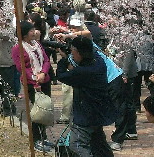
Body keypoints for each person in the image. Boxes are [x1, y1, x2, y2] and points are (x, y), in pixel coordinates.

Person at [56, 35, 119, 156]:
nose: (72, 54)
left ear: (78, 52)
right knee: (99, 144)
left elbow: (61, 76)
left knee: (77, 144)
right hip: (98, 112)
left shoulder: (83, 72)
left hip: (85, 115)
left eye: (73, 51)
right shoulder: (99, 61)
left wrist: (64, 60)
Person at [13, 21, 53, 153]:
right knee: (38, 110)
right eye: (31, 30)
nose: (34, 32)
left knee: (45, 109)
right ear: (24, 34)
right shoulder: (18, 48)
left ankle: (43, 136)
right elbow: (21, 68)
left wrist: (43, 73)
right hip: (32, 83)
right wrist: (35, 78)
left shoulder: (37, 44)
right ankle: (36, 139)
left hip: (44, 80)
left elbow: (46, 60)